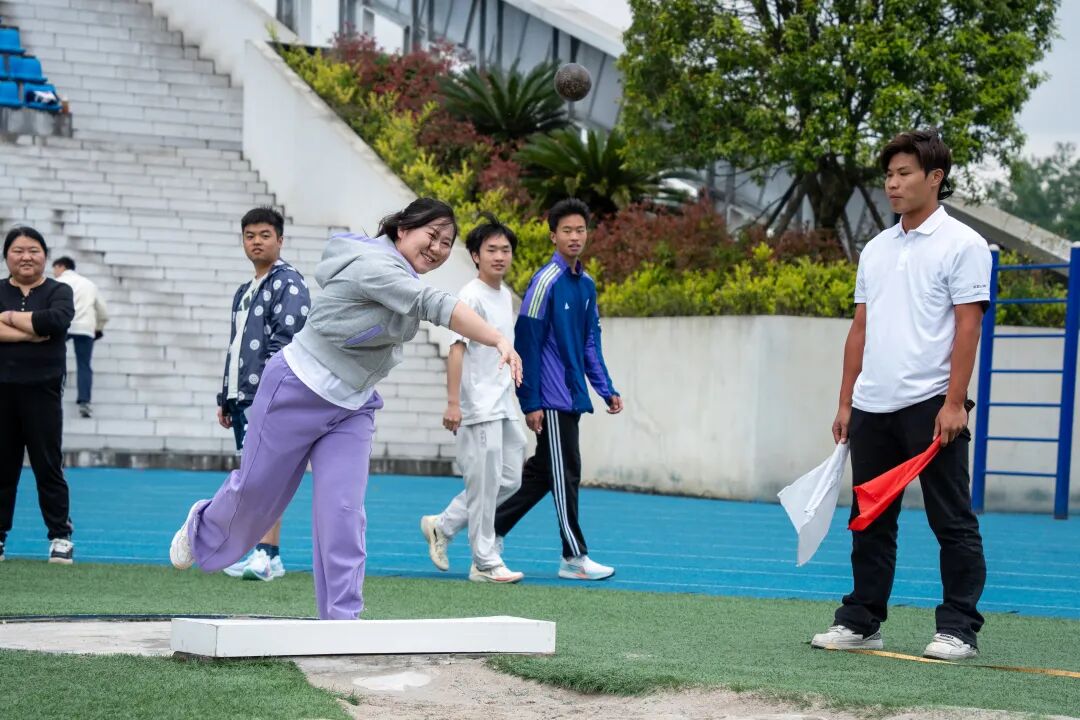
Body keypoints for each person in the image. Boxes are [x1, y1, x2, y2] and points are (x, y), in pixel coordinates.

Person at [169, 198, 522, 620]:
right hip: (295, 389)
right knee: (257, 493)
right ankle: (202, 525)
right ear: (403, 229)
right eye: (432, 236)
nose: (438, 249)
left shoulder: (402, 275)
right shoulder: (376, 265)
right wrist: (497, 339)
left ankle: (342, 620)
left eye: (447, 243)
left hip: (352, 407)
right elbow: (433, 304)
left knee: (344, 514)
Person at [811, 129, 991, 661]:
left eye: (904, 173)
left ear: (935, 178)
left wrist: (954, 403)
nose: (892, 183)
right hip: (872, 407)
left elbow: (968, 327)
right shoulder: (876, 248)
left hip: (931, 405)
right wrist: (846, 402)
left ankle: (958, 628)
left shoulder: (963, 244)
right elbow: (860, 328)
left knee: (951, 520)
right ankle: (861, 621)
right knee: (869, 520)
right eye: (889, 174)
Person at [492, 198, 623, 581]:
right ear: (553, 236)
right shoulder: (544, 282)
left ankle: (489, 530)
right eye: (567, 230)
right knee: (565, 474)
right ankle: (574, 557)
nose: (574, 236)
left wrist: (605, 388)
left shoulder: (587, 285)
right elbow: (527, 342)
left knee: (544, 474)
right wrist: (530, 400)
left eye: (580, 229)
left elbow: (590, 343)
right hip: (549, 398)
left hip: (572, 396)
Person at [420, 215, 527, 583]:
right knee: (484, 485)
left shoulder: (504, 296)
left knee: (510, 479)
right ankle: (484, 561)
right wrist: (454, 403)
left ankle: (443, 525)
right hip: (479, 406)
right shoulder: (470, 295)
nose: (499, 256)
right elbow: (457, 349)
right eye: (491, 250)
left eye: (505, 250)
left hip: (504, 404)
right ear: (476, 255)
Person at [216, 207, 310, 582]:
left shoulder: (289, 283)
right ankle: (265, 552)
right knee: (253, 475)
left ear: (280, 240)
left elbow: (287, 343)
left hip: (269, 395)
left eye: (265, 235)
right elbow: (236, 345)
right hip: (243, 395)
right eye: (250, 235)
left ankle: (266, 554)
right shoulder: (245, 291)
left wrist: (271, 393)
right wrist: (226, 395)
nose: (256, 242)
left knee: (266, 475)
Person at [0, 227, 75, 564]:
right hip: (2, 390)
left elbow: (56, 321)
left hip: (43, 390)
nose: (26, 257)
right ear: (6, 256)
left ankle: (60, 536)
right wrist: (30, 333)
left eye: (33, 250)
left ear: (45, 255)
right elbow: (42, 327)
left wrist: (8, 319)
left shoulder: (59, 290)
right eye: (18, 250)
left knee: (48, 466)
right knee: (2, 467)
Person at [51, 256, 108, 419]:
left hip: (63, 326)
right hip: (85, 327)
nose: (54, 272)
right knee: (84, 365)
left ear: (61, 266)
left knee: (52, 360)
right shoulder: (89, 284)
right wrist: (98, 328)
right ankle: (85, 402)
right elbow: (103, 311)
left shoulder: (57, 283)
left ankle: (50, 395)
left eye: (55, 268)